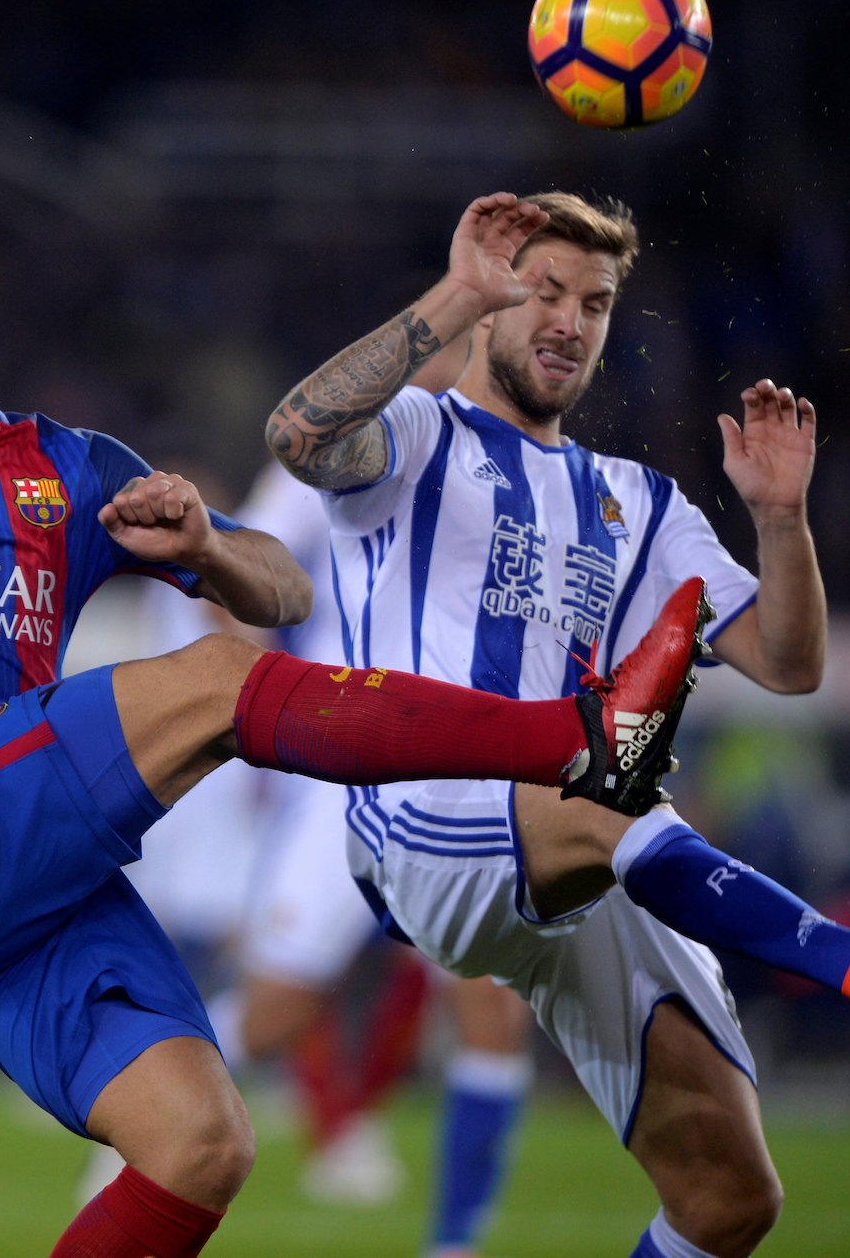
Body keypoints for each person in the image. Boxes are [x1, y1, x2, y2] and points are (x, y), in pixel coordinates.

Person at [0, 191, 709, 1257]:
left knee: (202, 1142)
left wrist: (203, 546)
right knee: (216, 681)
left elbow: (284, 587)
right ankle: (571, 740)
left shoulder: (71, 465)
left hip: (25, 902)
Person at [266, 190, 850, 1258]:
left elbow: (789, 664)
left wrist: (780, 522)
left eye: (593, 301)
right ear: (490, 302)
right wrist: (456, 292)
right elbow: (297, 432)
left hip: (575, 845)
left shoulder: (639, 505)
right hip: (421, 816)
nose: (566, 319)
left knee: (729, 1199)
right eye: (540, 289)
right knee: (605, 783)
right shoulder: (419, 437)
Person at [222, 456, 533, 1246]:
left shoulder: (516, 465)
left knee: (491, 1010)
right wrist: (243, 701)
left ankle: (452, 1245)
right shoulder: (328, 448)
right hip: (342, 767)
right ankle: (139, 1090)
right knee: (274, 1019)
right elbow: (235, 560)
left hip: (464, 772)